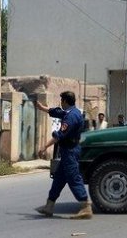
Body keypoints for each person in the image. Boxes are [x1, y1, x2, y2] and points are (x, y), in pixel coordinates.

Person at [34, 91, 93, 219]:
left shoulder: (71, 117)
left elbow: (59, 135)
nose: (60, 103)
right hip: (68, 151)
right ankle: (49, 206)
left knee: (73, 178)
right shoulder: (72, 112)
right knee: (59, 179)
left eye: (61, 100)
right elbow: (56, 112)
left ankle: (85, 207)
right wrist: (41, 108)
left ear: (65, 101)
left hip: (70, 151)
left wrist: (44, 147)